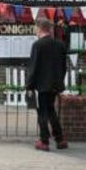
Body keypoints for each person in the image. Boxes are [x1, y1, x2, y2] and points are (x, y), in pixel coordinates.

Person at [26, 17, 68, 151]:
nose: (35, 31)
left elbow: (34, 67)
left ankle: (44, 141)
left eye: (35, 29)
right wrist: (59, 82)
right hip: (55, 84)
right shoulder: (60, 45)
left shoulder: (37, 45)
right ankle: (60, 139)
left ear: (39, 28)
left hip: (42, 85)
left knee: (42, 113)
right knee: (51, 111)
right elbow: (63, 67)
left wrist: (29, 86)